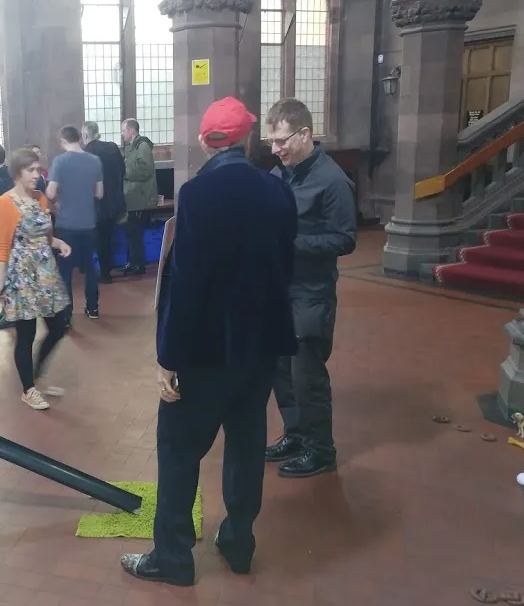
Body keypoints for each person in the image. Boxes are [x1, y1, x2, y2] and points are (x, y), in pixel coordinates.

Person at [120, 97, 298, 586]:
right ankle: (239, 541)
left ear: (204, 140)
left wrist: (167, 357)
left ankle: (173, 558)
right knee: (246, 443)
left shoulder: (197, 195)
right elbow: (286, 267)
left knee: (179, 450)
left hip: (205, 351)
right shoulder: (277, 191)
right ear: (245, 139)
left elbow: (188, 281)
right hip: (260, 348)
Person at [262, 98, 357, 479]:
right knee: (280, 369)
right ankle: (295, 434)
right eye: (271, 141)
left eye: (282, 140)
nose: (275, 149)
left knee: (307, 375)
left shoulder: (333, 181)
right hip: (279, 290)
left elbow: (345, 239)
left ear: (305, 134)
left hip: (311, 294)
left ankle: (321, 450)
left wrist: (288, 245)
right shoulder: (282, 172)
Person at [0, 148, 73, 410]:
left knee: (59, 326)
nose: (38, 175)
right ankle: (28, 389)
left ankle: (35, 375)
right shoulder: (3, 204)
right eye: (32, 170)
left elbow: (45, 235)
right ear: (17, 173)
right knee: (25, 334)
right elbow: (1, 247)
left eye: (39, 170)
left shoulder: (40, 199)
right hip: (22, 274)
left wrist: (58, 243)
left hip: (46, 271)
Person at [45, 126, 104, 320]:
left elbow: (51, 194)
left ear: (63, 141)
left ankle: (66, 316)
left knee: (65, 272)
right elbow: (99, 193)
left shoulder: (59, 162)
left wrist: (58, 199)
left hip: (66, 224)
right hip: (89, 223)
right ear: (79, 138)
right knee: (90, 268)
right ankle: (93, 308)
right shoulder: (95, 161)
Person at [81, 121, 126, 284]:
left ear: (86, 135)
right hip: (115, 201)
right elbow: (123, 170)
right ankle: (108, 267)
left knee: (99, 238)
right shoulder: (112, 147)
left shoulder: (86, 153)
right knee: (108, 236)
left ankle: (103, 272)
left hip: (96, 202)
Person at [121, 118, 158, 275]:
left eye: (123, 131)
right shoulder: (132, 147)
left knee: (136, 232)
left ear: (131, 130)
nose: (122, 134)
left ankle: (138, 264)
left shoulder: (142, 146)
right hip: (133, 196)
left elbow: (144, 169)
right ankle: (133, 261)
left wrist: (124, 174)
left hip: (140, 197)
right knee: (132, 232)